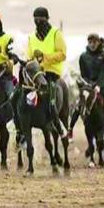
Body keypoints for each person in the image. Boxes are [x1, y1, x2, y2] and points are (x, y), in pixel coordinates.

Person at [26, 7, 68, 140]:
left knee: (49, 95)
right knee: (20, 93)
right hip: (36, 73)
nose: (38, 22)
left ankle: (57, 122)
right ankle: (20, 127)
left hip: (51, 73)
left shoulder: (56, 34)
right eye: (36, 19)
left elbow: (62, 54)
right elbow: (29, 56)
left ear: (47, 19)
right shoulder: (31, 37)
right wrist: (31, 61)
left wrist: (44, 57)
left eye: (41, 19)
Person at [78, 32, 104, 134]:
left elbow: (103, 72)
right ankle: (70, 129)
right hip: (89, 86)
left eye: (94, 42)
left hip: (103, 86)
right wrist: (87, 84)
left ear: (98, 43)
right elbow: (83, 74)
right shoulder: (83, 57)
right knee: (78, 106)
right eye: (90, 42)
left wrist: (98, 85)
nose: (92, 44)